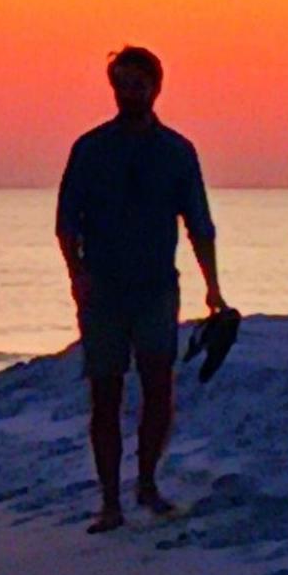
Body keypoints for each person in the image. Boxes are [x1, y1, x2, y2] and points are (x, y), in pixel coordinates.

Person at [54, 45, 225, 533]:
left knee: (158, 389)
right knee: (105, 394)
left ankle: (147, 482)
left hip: (155, 288)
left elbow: (199, 224)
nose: (129, 93)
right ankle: (110, 500)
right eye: (122, 84)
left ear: (156, 87)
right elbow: (67, 223)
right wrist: (76, 275)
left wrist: (212, 287)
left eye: (138, 84)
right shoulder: (90, 149)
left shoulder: (176, 151)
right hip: (103, 289)